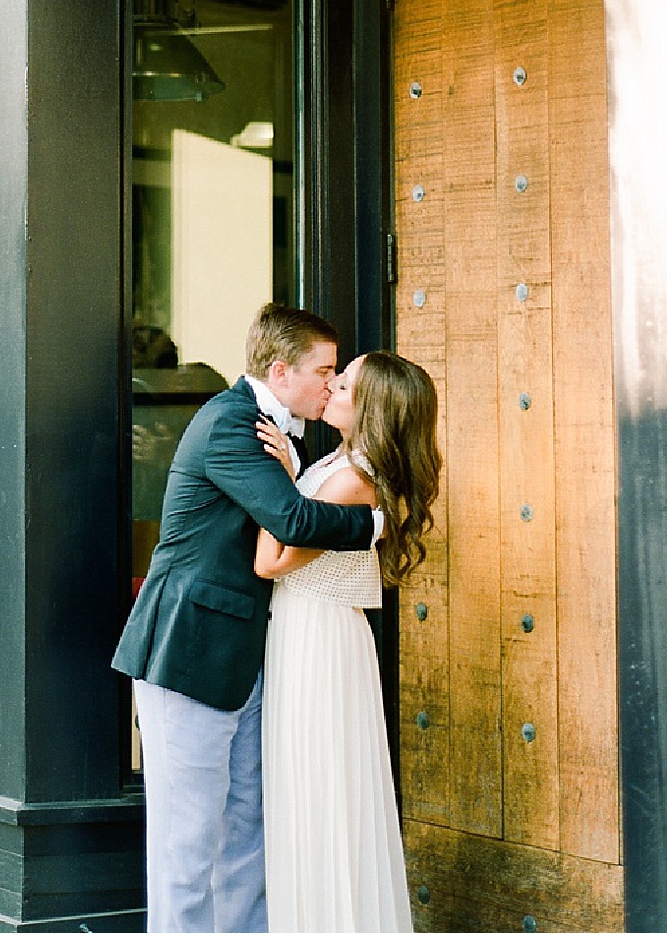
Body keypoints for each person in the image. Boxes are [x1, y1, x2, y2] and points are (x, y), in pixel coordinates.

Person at [112, 303, 385, 934]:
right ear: (282, 369)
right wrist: (377, 523)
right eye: (326, 369)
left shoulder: (287, 433)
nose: (332, 381)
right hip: (187, 652)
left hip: (245, 658)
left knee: (246, 834)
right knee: (187, 846)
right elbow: (291, 522)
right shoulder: (233, 424)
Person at [254, 350, 442, 932]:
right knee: (310, 785)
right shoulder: (336, 462)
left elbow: (269, 560)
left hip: (319, 639)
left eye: (347, 381)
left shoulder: (351, 482)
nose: (332, 384)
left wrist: (278, 486)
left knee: (323, 787)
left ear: (373, 405)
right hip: (309, 629)